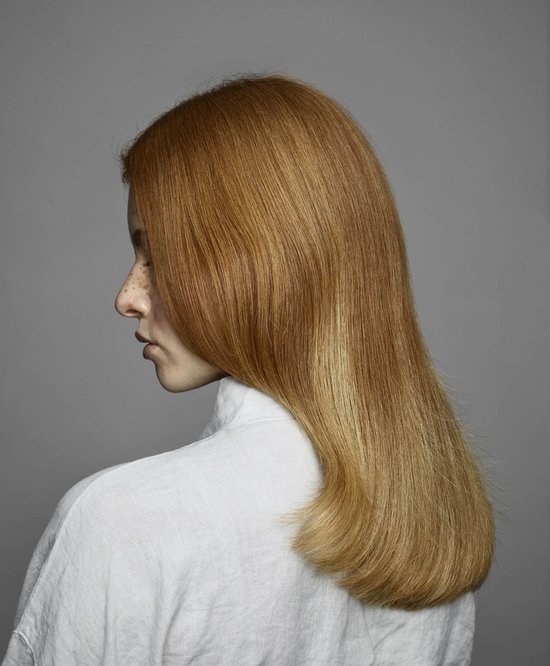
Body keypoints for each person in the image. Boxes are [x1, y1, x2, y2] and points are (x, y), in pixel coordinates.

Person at [2, 72, 495, 665]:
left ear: (262, 263)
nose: (126, 297)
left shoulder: (123, 520)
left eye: (157, 258)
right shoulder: (430, 523)